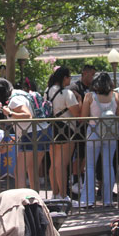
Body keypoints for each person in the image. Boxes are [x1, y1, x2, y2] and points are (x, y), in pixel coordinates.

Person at [0, 78, 51, 191]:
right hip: (43, 130)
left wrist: (10, 113)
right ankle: (35, 202)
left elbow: (27, 115)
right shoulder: (22, 94)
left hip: (30, 134)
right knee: (33, 170)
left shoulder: (14, 100)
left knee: (19, 171)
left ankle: (21, 202)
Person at [79, 72, 119, 207]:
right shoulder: (116, 96)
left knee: (90, 166)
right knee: (108, 165)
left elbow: (83, 117)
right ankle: (108, 199)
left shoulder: (90, 96)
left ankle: (88, 199)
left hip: (93, 132)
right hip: (111, 133)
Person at [46, 67, 81, 200]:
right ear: (64, 78)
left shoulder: (47, 91)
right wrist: (79, 98)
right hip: (66, 129)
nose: (70, 80)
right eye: (69, 77)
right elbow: (77, 113)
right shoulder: (67, 93)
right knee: (62, 164)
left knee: (53, 163)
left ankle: (55, 193)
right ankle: (63, 195)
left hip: (51, 128)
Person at [67, 64, 96, 190]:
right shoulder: (74, 87)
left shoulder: (93, 88)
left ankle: (82, 177)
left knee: (84, 153)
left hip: (89, 125)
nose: (92, 77)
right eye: (91, 74)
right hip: (77, 125)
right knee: (77, 153)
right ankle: (74, 179)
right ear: (84, 73)